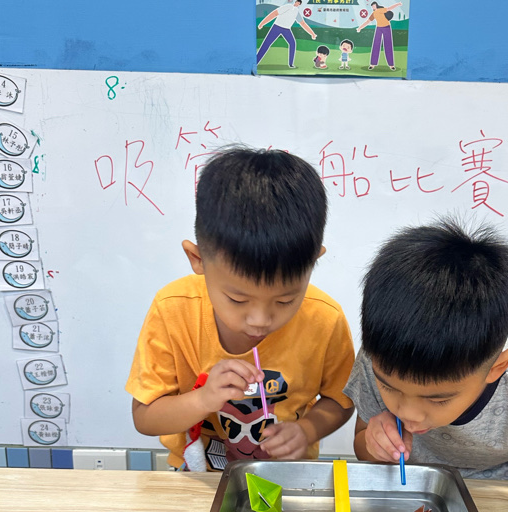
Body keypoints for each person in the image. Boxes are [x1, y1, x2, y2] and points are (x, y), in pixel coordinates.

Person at [345, 219, 508, 512]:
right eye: (389, 387)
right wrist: (374, 445)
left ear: (497, 368)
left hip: (507, 502)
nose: (408, 413)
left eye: (438, 399)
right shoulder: (375, 360)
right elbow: (362, 443)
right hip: (419, 497)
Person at [127, 147, 355, 470]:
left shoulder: (325, 319)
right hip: (198, 477)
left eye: (285, 300)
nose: (260, 321)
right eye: (237, 300)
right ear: (198, 260)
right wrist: (203, 399)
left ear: (313, 262)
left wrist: (307, 430)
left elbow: (340, 400)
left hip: (286, 475)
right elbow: (144, 417)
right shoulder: (172, 311)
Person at [256, 0, 317, 70]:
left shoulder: (296, 12)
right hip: (277, 27)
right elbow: (274, 14)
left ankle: (291, 64)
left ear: (299, 5)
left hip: (286, 29)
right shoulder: (287, 6)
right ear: (295, 2)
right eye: (297, 2)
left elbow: (303, 23)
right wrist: (262, 23)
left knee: (292, 43)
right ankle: (256, 61)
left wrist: (312, 34)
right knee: (266, 43)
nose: (297, 4)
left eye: (299, 4)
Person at [357, 1, 401, 70]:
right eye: (372, 6)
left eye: (374, 5)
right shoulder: (373, 14)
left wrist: (398, 4)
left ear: (376, 5)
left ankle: (391, 65)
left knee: (388, 45)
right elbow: (367, 21)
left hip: (386, 27)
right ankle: (372, 64)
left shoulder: (381, 10)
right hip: (379, 28)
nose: (373, 6)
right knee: (376, 44)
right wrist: (360, 28)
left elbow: (389, 8)